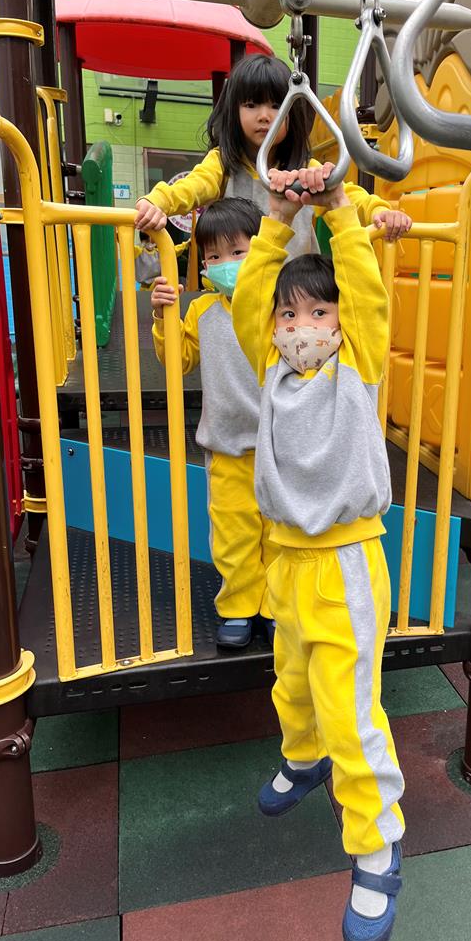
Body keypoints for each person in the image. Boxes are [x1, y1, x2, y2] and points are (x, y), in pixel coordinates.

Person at [231, 164, 404, 941]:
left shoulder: (354, 367)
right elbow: (248, 299)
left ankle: (375, 845)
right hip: (286, 559)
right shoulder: (270, 368)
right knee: (292, 679)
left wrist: (338, 211)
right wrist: (273, 219)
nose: (302, 324)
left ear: (339, 320)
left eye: (318, 311)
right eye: (290, 313)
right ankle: (303, 760)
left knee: (349, 709)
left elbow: (366, 293)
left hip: (344, 562)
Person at [150, 197, 277, 650]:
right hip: (226, 446)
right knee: (233, 534)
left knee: (279, 532)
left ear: (261, 251)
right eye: (214, 256)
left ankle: (276, 607)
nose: (226, 263)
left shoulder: (278, 306)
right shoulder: (202, 311)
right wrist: (163, 316)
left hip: (278, 446)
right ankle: (239, 606)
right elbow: (178, 360)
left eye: (238, 252)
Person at [134, 54, 412, 252]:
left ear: (292, 115)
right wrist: (157, 201)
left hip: (296, 295)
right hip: (245, 290)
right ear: (234, 112)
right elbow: (192, 186)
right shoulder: (224, 164)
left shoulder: (304, 169)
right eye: (251, 105)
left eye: (277, 106)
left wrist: (380, 211)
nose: (265, 116)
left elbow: (349, 195)